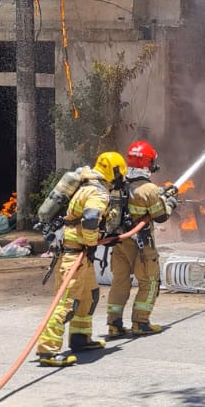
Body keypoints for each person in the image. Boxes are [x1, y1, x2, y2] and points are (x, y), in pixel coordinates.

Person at [36, 152, 127, 367]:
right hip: (74, 255)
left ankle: (80, 338)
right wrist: (93, 241)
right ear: (114, 173)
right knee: (67, 303)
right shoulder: (98, 193)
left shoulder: (86, 185)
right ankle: (47, 350)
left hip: (80, 255)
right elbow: (91, 219)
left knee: (89, 296)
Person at [107, 139, 178, 337]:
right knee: (150, 281)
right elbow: (161, 216)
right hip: (142, 245)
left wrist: (161, 194)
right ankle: (140, 322)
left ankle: (114, 324)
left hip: (120, 243)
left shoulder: (119, 184)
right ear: (148, 162)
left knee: (120, 282)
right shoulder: (149, 189)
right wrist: (171, 201)